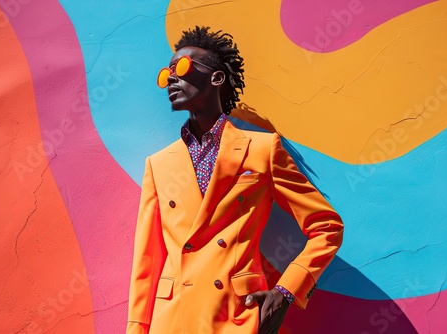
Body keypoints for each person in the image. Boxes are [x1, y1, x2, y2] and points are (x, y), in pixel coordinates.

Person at [127, 26, 344, 334]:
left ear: (217, 78)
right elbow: (146, 263)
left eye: (183, 68)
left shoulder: (262, 150)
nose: (171, 79)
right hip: (172, 319)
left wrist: (285, 292)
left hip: (236, 315)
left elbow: (327, 227)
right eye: (166, 75)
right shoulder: (158, 164)